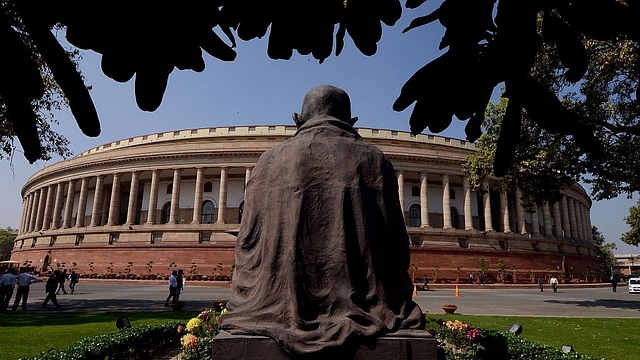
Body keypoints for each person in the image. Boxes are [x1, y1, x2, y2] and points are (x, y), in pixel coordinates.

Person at [221, 85, 424, 356]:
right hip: (369, 307)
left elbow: (248, 242)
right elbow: (396, 245)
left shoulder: (268, 162)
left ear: (298, 119)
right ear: (351, 122)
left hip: (268, 306)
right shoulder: (376, 161)